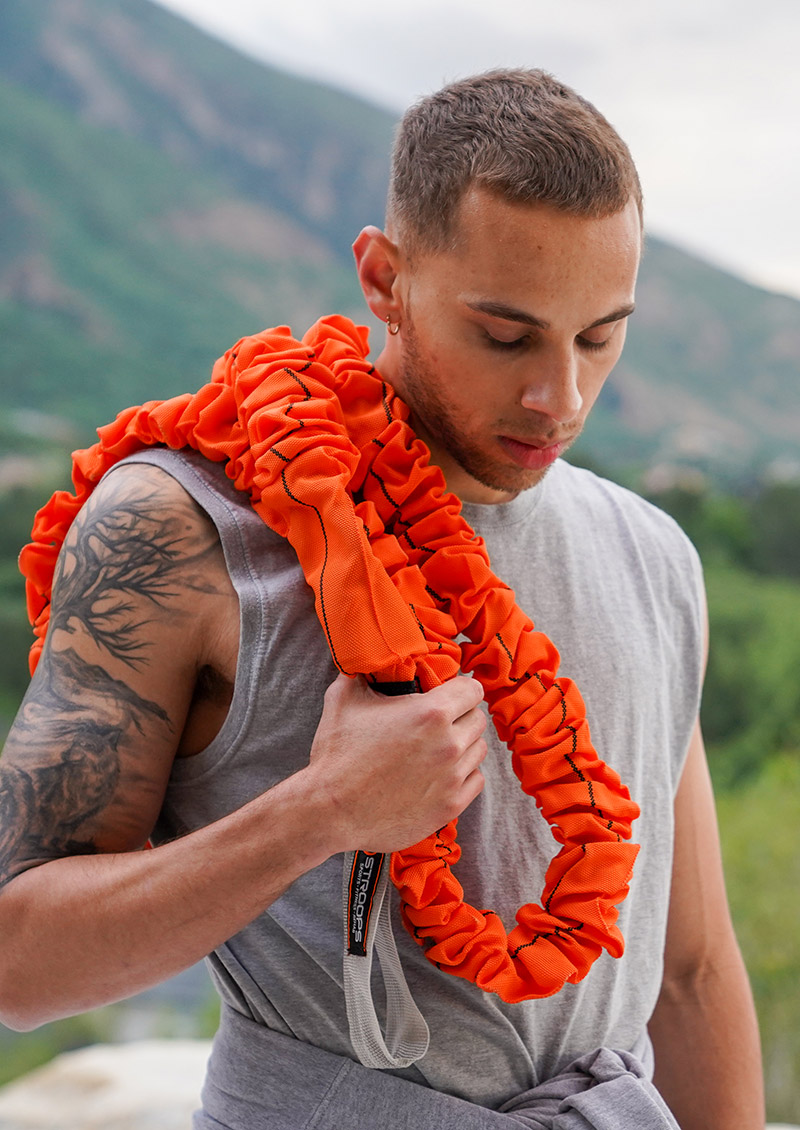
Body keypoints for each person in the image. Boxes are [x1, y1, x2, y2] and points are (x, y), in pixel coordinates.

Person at [0, 69, 763, 1129]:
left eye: (597, 335)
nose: (560, 398)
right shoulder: (178, 530)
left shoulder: (652, 556)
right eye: (505, 335)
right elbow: (19, 960)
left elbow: (685, 970)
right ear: (382, 276)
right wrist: (319, 813)